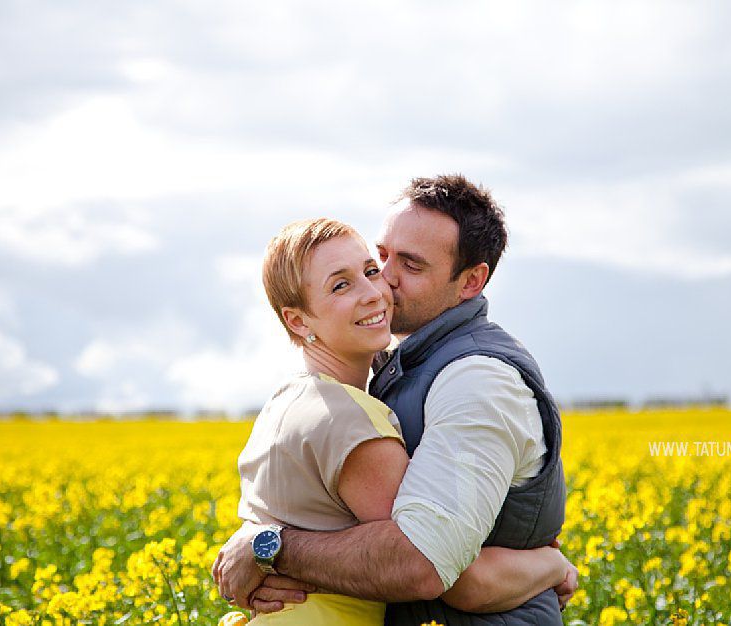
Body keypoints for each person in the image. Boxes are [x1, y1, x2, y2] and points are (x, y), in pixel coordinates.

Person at [215, 176, 577, 625]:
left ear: (470, 281)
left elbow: (421, 562)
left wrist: (270, 546)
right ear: (297, 320)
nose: (383, 281)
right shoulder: (364, 385)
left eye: (411, 264)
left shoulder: (478, 379)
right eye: (381, 256)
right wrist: (551, 565)